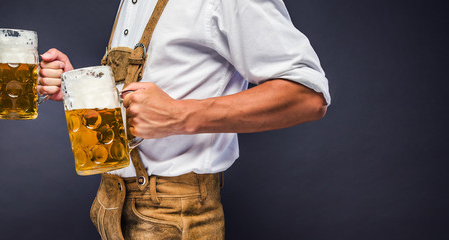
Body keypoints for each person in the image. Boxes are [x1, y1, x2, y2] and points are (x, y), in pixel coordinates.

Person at [38, 0, 330, 239]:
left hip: (175, 215)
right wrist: (81, 88)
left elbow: (308, 96)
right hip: (110, 205)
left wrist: (179, 115)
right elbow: (149, 91)